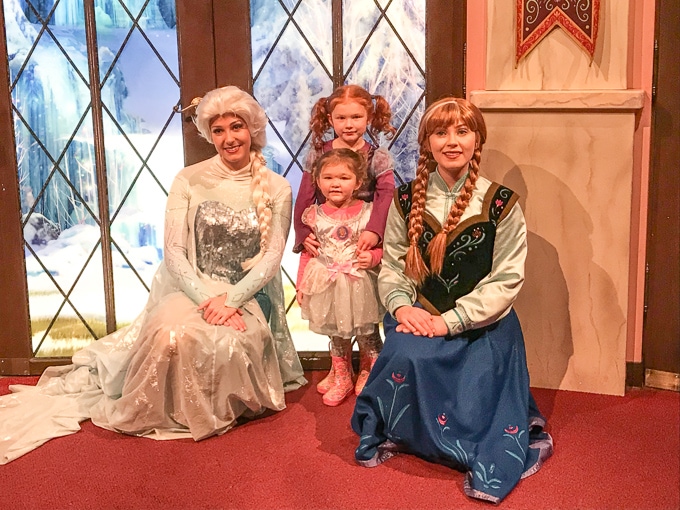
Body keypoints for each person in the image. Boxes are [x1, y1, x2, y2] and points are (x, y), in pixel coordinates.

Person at [0, 86, 306, 464]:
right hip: (192, 287)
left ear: (252, 129)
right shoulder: (187, 179)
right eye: (219, 130)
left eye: (236, 127)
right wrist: (205, 300)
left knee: (225, 345)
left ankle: (213, 413)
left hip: (245, 297)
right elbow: (175, 253)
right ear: (209, 135)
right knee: (169, 334)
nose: (228, 138)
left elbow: (273, 258)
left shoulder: (278, 187)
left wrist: (231, 301)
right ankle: (165, 413)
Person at [351, 97, 553, 503]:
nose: (452, 141)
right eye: (441, 132)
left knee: (474, 385)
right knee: (407, 355)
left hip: (483, 325)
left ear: (477, 139)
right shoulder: (406, 200)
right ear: (427, 142)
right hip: (417, 315)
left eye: (462, 131)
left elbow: (507, 279)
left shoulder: (501, 203)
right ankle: (409, 432)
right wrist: (403, 308)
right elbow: (392, 264)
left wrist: (452, 321)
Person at [294, 84, 396, 396]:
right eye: (341, 117)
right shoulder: (318, 154)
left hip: (363, 239)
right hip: (329, 239)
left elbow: (386, 195)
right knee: (335, 315)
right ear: (330, 118)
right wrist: (303, 234)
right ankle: (340, 370)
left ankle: (368, 367)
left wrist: (375, 232)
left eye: (356, 117)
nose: (349, 124)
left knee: (365, 317)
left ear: (369, 117)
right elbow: (305, 196)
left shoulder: (376, 156)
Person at [296, 148, 385, 406]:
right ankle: (341, 374)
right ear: (318, 181)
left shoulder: (369, 213)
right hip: (328, 281)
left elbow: (385, 247)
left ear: (358, 182)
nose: (335, 183)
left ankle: (370, 372)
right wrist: (302, 283)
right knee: (336, 333)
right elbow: (308, 253)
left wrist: (375, 256)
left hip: (360, 281)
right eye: (328, 177)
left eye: (344, 178)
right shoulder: (313, 215)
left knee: (369, 332)